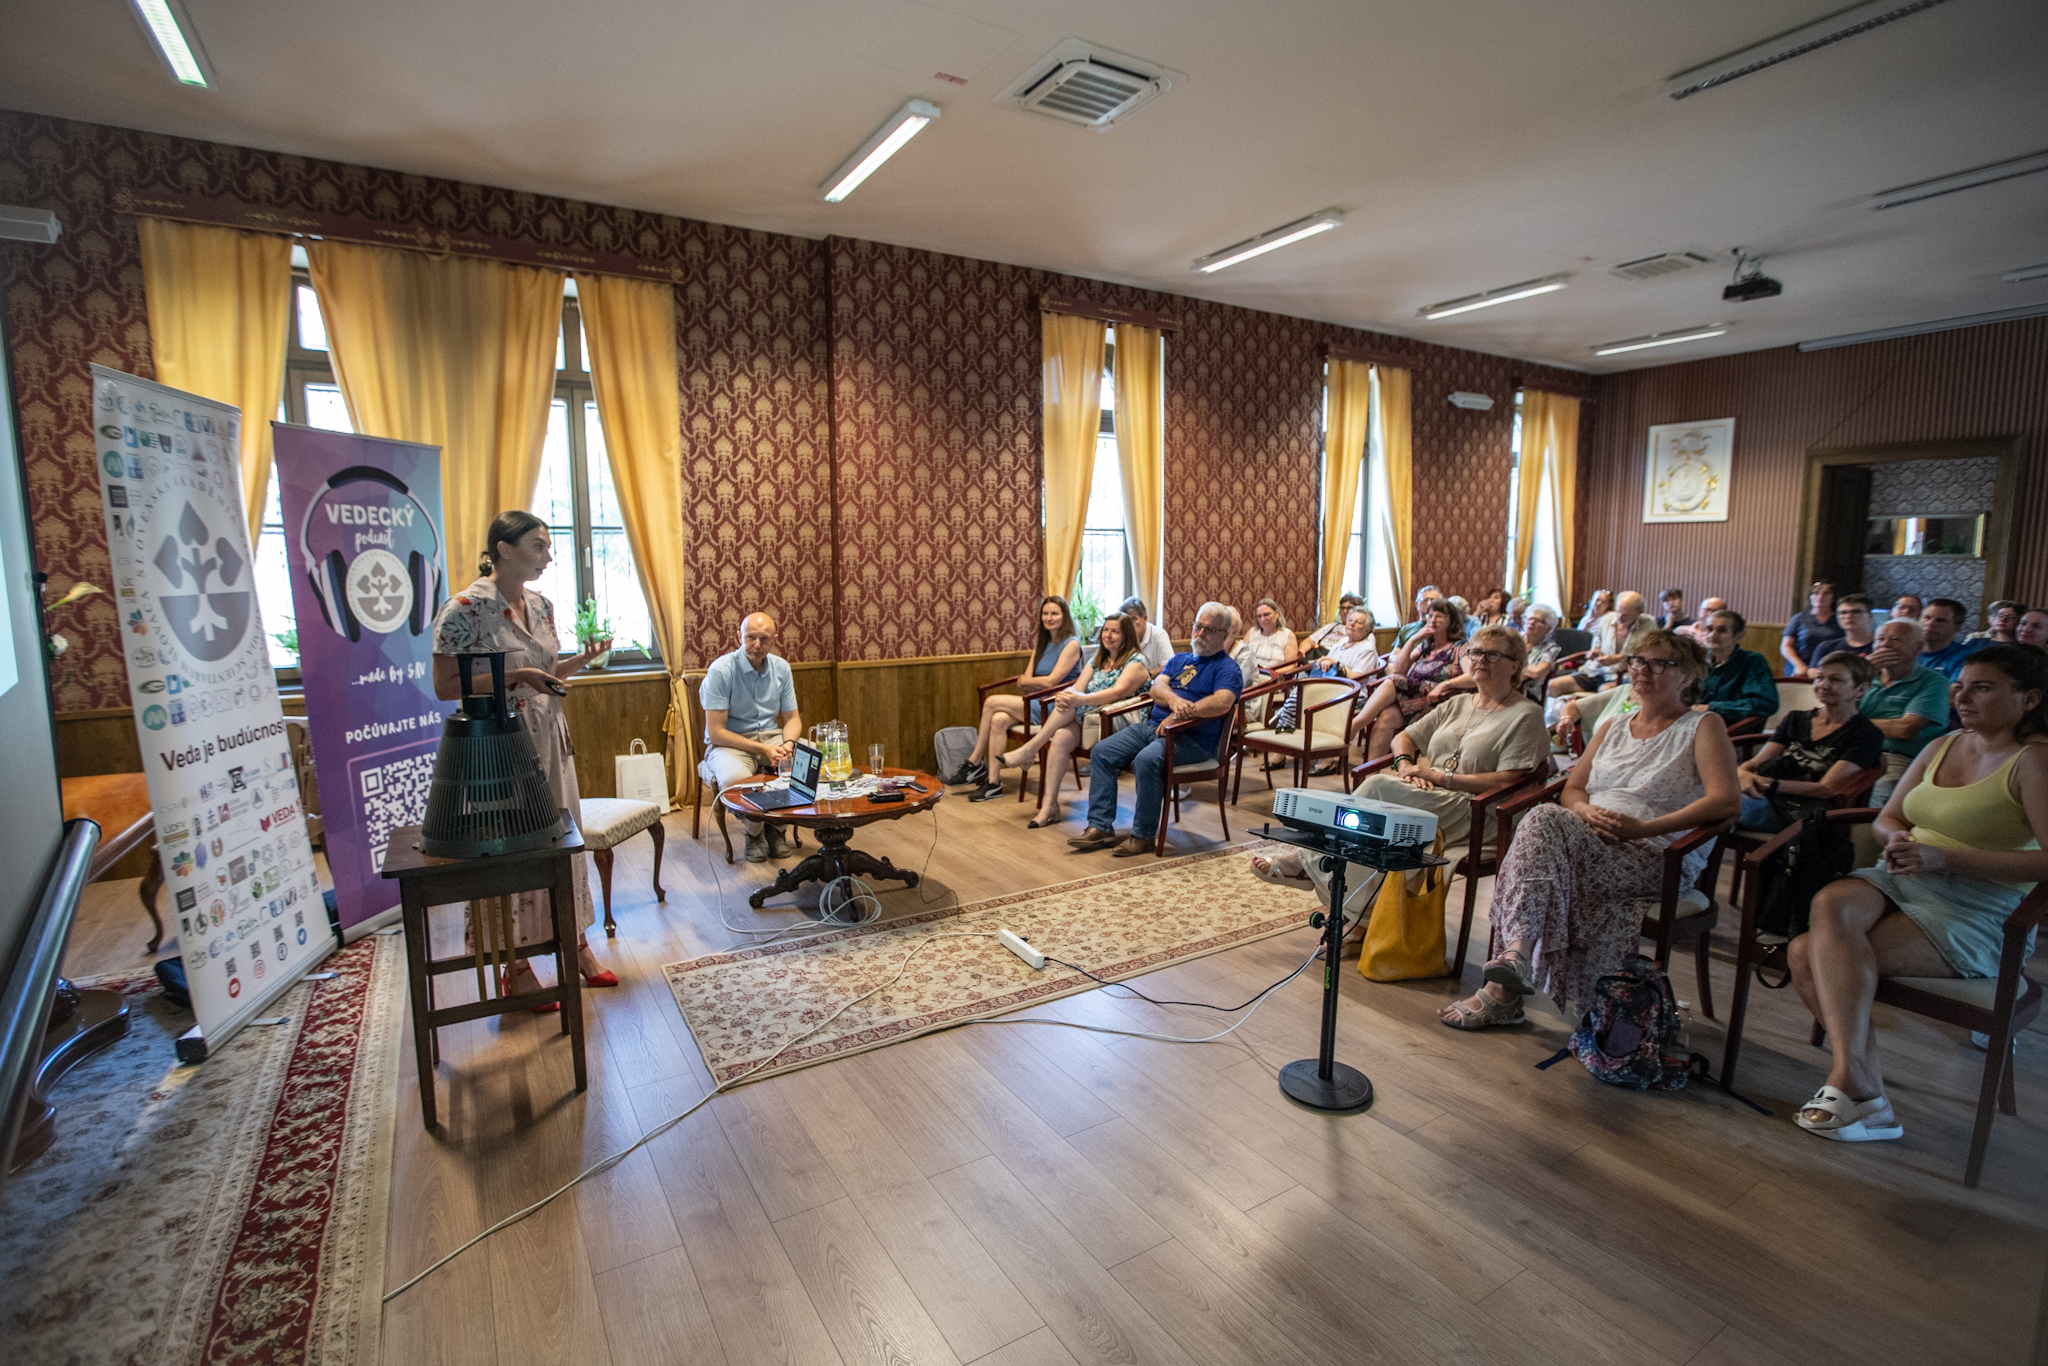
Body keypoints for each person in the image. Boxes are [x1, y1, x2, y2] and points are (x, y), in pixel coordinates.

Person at [1787, 646, 2048, 1143]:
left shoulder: (2035, 760)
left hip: (1981, 902)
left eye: (1982, 687)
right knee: (1829, 902)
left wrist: (1945, 858)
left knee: (1804, 954)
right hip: (1908, 876)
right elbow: (1891, 816)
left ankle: (1859, 1090)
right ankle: (1862, 1086)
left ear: (2029, 697)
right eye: (1960, 685)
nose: (1962, 696)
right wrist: (1898, 840)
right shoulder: (1945, 744)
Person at [1440, 630, 1740, 1027]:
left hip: (1655, 853)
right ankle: (1510, 970)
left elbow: (1725, 802)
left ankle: (1507, 979)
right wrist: (1584, 812)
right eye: (1636, 661)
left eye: (1658, 663)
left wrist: (1644, 828)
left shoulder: (1702, 726)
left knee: (1539, 829)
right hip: (1589, 841)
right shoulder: (1613, 725)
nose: (1642, 670)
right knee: (1545, 822)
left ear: (1687, 675)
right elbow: (1574, 790)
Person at [431, 510, 615, 994]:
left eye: (548, 546)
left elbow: (547, 675)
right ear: (503, 549)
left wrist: (582, 659)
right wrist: (518, 678)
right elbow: (445, 685)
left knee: (562, 842)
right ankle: (514, 967)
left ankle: (574, 944)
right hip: (498, 748)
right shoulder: (464, 609)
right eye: (538, 546)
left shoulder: (542, 605)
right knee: (513, 850)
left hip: (551, 740)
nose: (548, 556)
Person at [1249, 626, 1547, 922]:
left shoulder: (1526, 714)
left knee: (1378, 786)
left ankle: (1309, 865)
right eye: (1476, 652)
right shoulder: (1459, 703)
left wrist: (1441, 778)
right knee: (1375, 826)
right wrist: (1405, 764)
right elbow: (1403, 738)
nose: (1480, 660)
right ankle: (1356, 916)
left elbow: (1509, 780)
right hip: (1436, 795)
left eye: (1492, 654)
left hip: (1479, 811)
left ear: (1515, 665)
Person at [1069, 603, 1242, 857]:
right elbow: (1155, 688)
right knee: (1102, 751)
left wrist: (1182, 713)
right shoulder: (1180, 659)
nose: (1200, 634)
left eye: (1208, 629)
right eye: (1197, 626)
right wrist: (1174, 701)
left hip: (1193, 739)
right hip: (1154, 728)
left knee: (1146, 760)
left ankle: (1143, 835)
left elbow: (1223, 702)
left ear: (1224, 634)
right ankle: (1100, 827)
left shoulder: (1227, 668)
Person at [994, 612, 1150, 825]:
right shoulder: (1098, 660)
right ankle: (1050, 807)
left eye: (1115, 632)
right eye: (1106, 630)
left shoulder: (1137, 662)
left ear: (1127, 636)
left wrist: (1078, 700)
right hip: (1089, 720)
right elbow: (1078, 687)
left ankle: (1030, 750)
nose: (1108, 635)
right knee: (1060, 736)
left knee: (1070, 706)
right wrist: (1066, 696)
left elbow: (1117, 692)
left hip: (1117, 723)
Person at [1735, 651, 1884, 832]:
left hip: (1806, 813)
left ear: (1860, 689)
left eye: (1836, 680)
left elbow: (1826, 788)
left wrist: (1768, 784)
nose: (1824, 685)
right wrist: (1743, 773)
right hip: (1765, 796)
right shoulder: (1795, 719)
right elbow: (1757, 762)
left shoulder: (1866, 734)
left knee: (1721, 806)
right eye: (1820, 678)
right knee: (1712, 799)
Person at [701, 611, 805, 862]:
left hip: (773, 739)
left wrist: (788, 745)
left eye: (764, 639)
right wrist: (765, 750)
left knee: (807, 761)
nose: (756, 645)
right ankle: (755, 833)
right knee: (736, 777)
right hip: (729, 743)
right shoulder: (721, 670)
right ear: (739, 636)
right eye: (750, 638)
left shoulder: (782, 668)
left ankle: (777, 829)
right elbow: (717, 732)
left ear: (774, 640)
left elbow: (792, 719)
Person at [960, 596, 1081, 795]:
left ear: (1064, 616)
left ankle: (975, 760)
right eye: (1045, 613)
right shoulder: (1042, 644)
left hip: (1054, 705)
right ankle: (993, 783)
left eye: (1054, 613)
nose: (1049, 618)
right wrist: (1031, 682)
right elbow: (1026, 680)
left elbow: (1050, 682)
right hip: (1034, 700)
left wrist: (1030, 682)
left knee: (991, 702)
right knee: (998, 719)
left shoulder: (1072, 644)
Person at [1349, 598, 1466, 759]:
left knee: (1394, 680)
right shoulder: (1426, 646)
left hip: (1439, 701)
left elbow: (1472, 676)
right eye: (1430, 615)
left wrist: (1445, 685)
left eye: (1439, 616)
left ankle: (1356, 723)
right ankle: (1369, 776)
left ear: (1451, 620)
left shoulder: (1460, 647)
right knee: (1385, 719)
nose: (1432, 620)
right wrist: (1412, 640)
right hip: (1414, 699)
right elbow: (1398, 668)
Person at [1859, 617, 1950, 805]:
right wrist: (1861, 673)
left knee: (1880, 797)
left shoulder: (1934, 681)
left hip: (1897, 757)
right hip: (1851, 749)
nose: (1885, 645)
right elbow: (1832, 715)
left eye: (1895, 640)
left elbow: (1905, 729)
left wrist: (1849, 724)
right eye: (1880, 639)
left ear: (1918, 648)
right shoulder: (1863, 678)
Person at [1549, 590, 1652, 702]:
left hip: (1621, 676)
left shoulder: (1648, 624)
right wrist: (1594, 652)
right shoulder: (1607, 619)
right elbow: (1596, 644)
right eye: (1618, 612)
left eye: (1625, 615)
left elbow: (1646, 655)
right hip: (1595, 671)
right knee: (1553, 685)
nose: (1620, 617)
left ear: (1639, 613)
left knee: (1604, 692)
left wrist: (1618, 658)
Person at [1691, 608, 1779, 727]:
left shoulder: (1752, 661)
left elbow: (1765, 703)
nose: (1712, 635)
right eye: (1709, 629)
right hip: (1694, 725)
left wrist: (1711, 707)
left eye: (1721, 630)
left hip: (1730, 732)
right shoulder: (1697, 661)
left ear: (1738, 636)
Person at [1781, 580, 1845, 678]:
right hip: (1800, 665)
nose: (1820, 596)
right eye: (1815, 593)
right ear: (1810, 596)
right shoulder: (1800, 618)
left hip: (1831, 667)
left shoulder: (1840, 619)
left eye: (1826, 593)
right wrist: (1799, 665)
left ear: (1833, 597)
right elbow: (1786, 646)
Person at [1919, 598, 1992, 679]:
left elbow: (1955, 690)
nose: (1930, 624)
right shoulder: (1907, 651)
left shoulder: (1967, 657)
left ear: (1957, 627)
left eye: (1940, 620)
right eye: (1927, 618)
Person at [1243, 598, 1300, 680]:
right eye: (1259, 616)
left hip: (1275, 679)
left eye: (1266, 614)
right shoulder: (1251, 632)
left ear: (1276, 614)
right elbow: (1242, 657)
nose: (1262, 619)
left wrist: (1270, 674)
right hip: (1251, 677)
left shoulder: (1288, 635)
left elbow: (1291, 666)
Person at [1119, 595, 1173, 675]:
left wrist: (1145, 676)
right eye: (1127, 621)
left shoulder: (1159, 634)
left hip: (1154, 683)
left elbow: (1170, 666)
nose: (1129, 625)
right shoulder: (1123, 637)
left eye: (1133, 619)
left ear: (1145, 618)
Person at [1519, 604, 1563, 701]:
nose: (1532, 622)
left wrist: (1509, 669)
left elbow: (1537, 672)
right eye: (1530, 618)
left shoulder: (1550, 648)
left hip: (1527, 692)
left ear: (1548, 628)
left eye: (1539, 621)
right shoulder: (1514, 639)